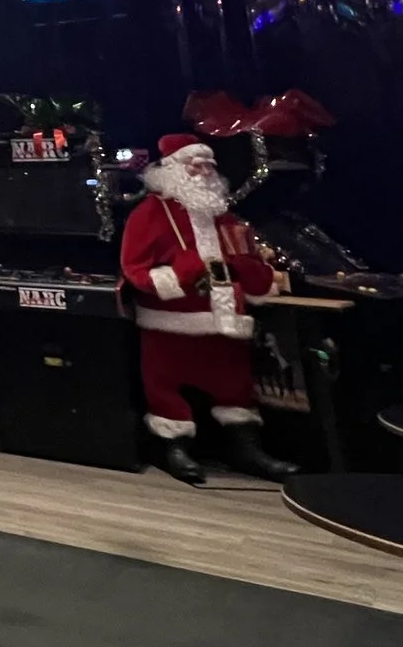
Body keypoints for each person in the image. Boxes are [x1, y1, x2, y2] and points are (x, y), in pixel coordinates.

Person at [119, 134, 298, 485]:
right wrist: (183, 270)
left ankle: (246, 449)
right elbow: (135, 272)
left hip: (224, 322)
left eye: (209, 166)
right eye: (195, 165)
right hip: (170, 324)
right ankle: (172, 447)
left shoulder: (227, 218)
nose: (203, 172)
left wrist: (248, 268)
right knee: (165, 389)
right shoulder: (150, 214)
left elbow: (259, 281)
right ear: (172, 170)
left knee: (235, 388)